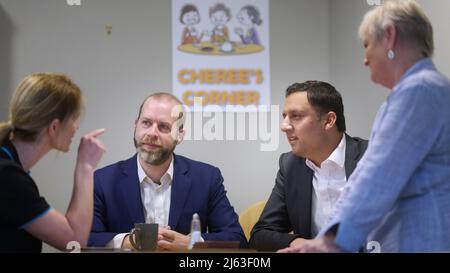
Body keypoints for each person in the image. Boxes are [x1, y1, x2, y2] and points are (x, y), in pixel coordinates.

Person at [279, 0, 450, 253]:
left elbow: (377, 176)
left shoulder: (419, 91)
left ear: (389, 36)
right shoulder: (418, 91)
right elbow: (364, 177)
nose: (365, 60)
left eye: (367, 45)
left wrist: (329, 241)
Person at [88, 92, 247, 250]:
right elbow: (86, 237)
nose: (152, 133)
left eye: (163, 127)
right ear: (135, 126)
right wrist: (130, 241)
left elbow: (236, 238)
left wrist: (191, 244)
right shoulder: (103, 180)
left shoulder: (207, 178)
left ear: (179, 135)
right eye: (146, 123)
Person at [249, 81, 368, 251]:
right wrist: (299, 243)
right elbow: (261, 234)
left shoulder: (371, 157)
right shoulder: (290, 166)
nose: (284, 126)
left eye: (296, 116)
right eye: (284, 116)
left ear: (328, 120)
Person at [0, 73, 106, 252]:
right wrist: (85, 167)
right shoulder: (8, 177)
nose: (76, 126)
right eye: (74, 118)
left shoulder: (11, 168)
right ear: (54, 127)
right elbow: (74, 242)